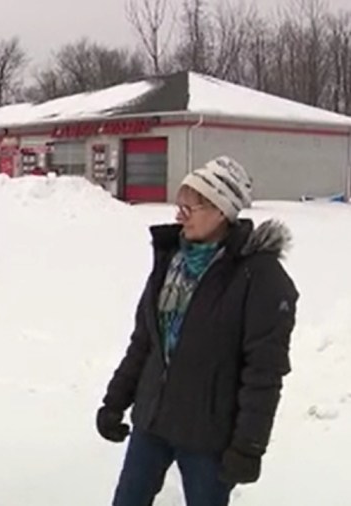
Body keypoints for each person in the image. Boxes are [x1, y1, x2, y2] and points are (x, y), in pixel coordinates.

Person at [96, 156, 299, 506]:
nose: (179, 216)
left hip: (207, 437)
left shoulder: (259, 278)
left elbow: (263, 371)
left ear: (221, 210)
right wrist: (115, 401)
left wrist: (249, 446)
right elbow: (145, 342)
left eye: (189, 207)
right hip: (152, 421)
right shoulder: (170, 261)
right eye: (179, 206)